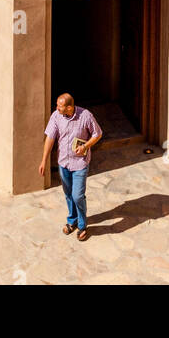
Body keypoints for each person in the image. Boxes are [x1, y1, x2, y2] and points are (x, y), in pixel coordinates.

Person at [39, 93, 103, 240]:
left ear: (69, 107)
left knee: (77, 196)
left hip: (80, 164)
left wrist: (86, 146)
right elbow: (50, 138)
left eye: (59, 106)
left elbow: (97, 133)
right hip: (63, 163)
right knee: (68, 195)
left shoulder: (85, 115)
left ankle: (81, 225)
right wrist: (44, 160)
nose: (56, 108)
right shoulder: (56, 116)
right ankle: (72, 220)